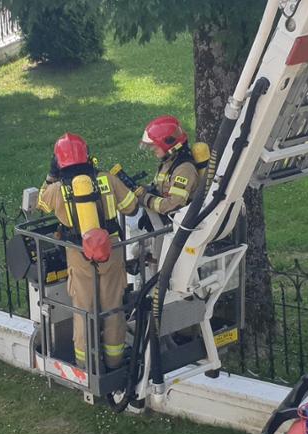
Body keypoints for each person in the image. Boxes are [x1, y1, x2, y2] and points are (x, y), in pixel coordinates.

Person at [35, 133, 139, 371]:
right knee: (113, 307)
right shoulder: (107, 179)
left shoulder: (57, 189)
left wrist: (51, 176)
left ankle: (86, 365)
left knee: (84, 310)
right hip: (111, 251)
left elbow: (40, 204)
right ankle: (114, 361)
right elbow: (131, 207)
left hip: (78, 254)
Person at [140, 115, 207, 220]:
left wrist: (146, 200)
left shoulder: (184, 169)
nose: (152, 149)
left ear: (169, 143)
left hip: (178, 225)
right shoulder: (169, 162)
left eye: (155, 145)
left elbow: (173, 205)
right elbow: (160, 188)